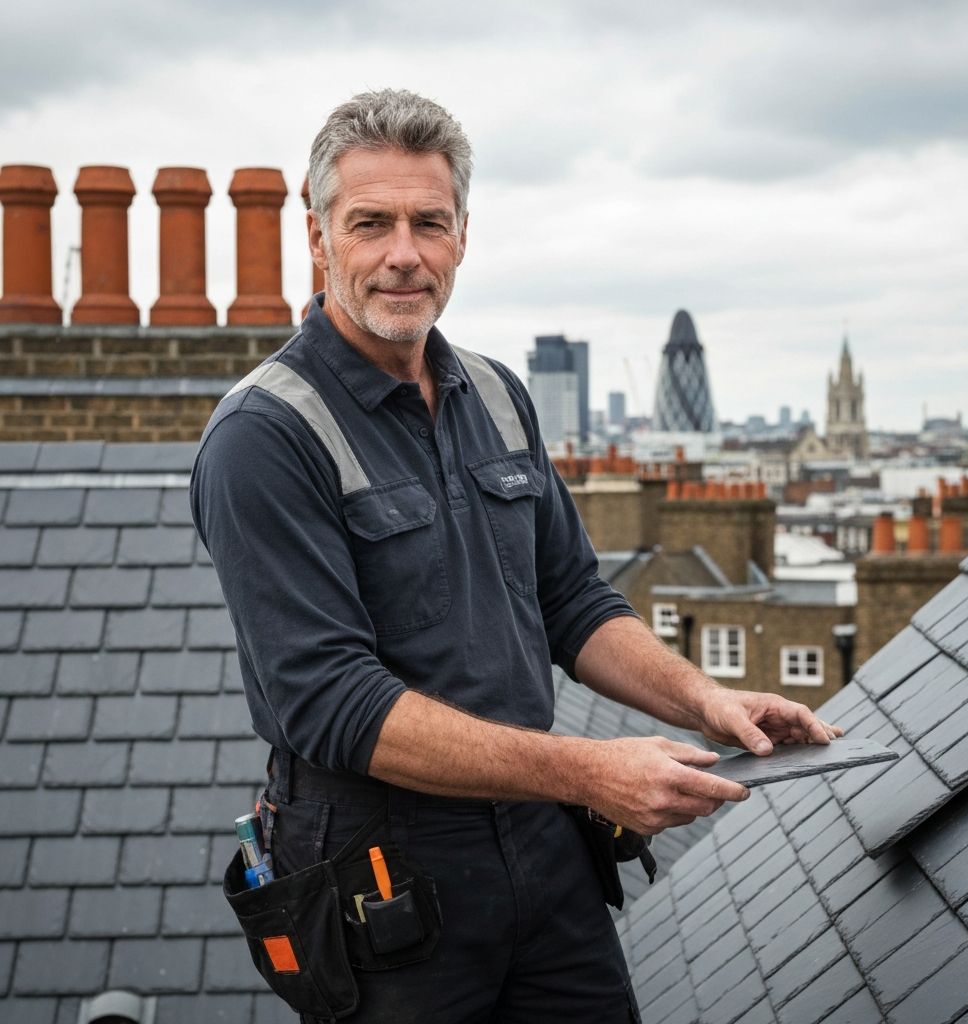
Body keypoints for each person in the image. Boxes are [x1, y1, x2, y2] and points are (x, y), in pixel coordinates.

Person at [191, 88, 840, 1023]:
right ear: (318, 235)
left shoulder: (496, 394)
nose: (403, 253)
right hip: (382, 874)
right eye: (370, 223)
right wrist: (590, 771)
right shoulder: (264, 436)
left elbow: (573, 600)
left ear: (463, 235)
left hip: (542, 853)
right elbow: (331, 702)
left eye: (430, 222)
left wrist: (707, 699)